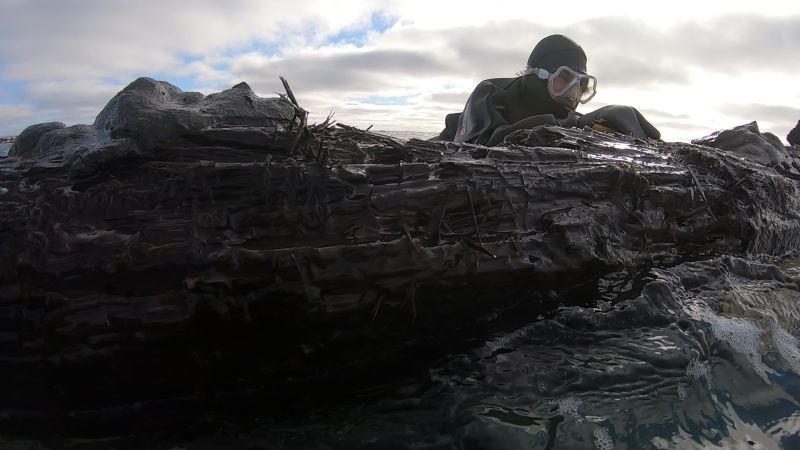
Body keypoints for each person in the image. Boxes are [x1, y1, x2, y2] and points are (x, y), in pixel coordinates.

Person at [434, 34, 660, 146]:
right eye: (564, 78)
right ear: (538, 75)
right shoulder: (489, 93)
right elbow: (474, 148)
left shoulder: (566, 117)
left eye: (581, 85)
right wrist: (575, 127)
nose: (573, 94)